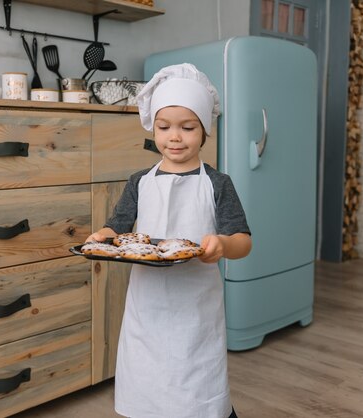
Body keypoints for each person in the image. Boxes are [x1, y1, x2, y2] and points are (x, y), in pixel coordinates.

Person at [85, 63, 252, 418]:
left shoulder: (218, 184)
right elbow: (118, 229)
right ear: (153, 128)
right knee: (147, 385)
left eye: (187, 127)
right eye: (164, 127)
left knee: (197, 389)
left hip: (196, 310)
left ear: (205, 130)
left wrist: (222, 245)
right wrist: (102, 236)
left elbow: (243, 241)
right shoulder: (140, 181)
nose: (175, 137)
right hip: (147, 307)